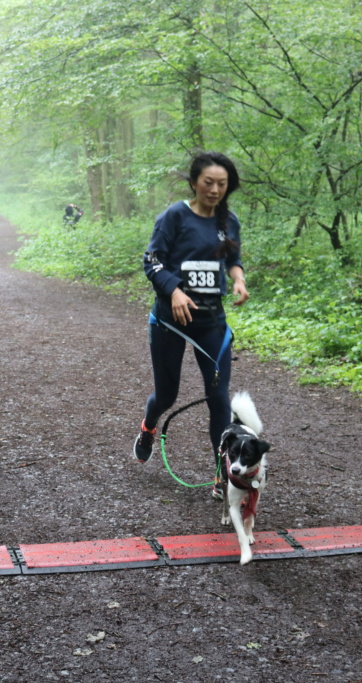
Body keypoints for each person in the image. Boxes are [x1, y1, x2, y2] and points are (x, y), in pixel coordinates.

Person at [132, 151, 250, 500]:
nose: (214, 190)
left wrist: (239, 279)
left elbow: (233, 259)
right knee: (166, 395)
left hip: (212, 322)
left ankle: (221, 475)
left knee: (218, 399)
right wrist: (175, 292)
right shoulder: (174, 216)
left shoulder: (229, 221)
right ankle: (148, 427)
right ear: (194, 183)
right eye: (208, 183)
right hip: (172, 322)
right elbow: (152, 261)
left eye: (222, 184)